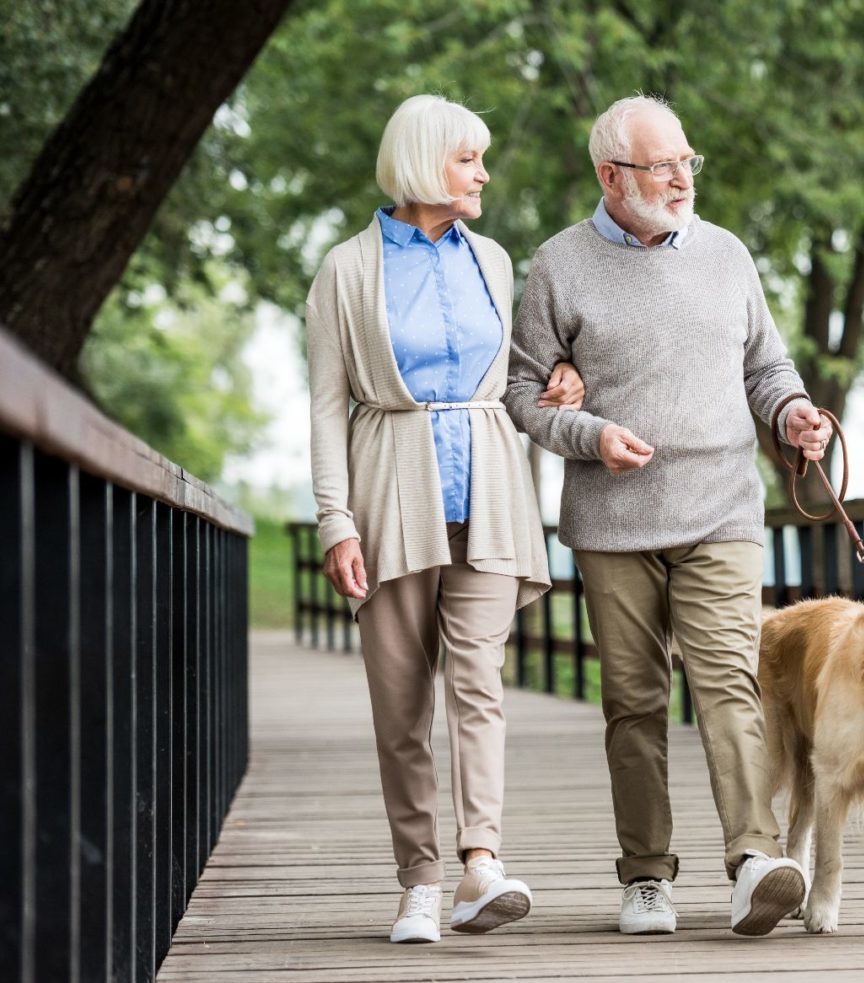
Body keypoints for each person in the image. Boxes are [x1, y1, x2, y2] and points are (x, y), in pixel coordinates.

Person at [503, 94, 835, 938]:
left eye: (688, 161)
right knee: (634, 700)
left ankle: (754, 859)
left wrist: (793, 412)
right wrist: (589, 434)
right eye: (662, 167)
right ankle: (646, 875)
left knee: (729, 683)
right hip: (612, 520)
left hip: (721, 507)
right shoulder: (558, 265)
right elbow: (522, 391)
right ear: (611, 176)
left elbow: (766, 366)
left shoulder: (727, 254)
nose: (683, 179)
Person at [306, 94, 583, 944]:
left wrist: (561, 375)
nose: (484, 175)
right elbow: (326, 406)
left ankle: (480, 863)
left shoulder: (493, 259)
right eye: (469, 160)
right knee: (400, 700)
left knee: (479, 684)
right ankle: (418, 881)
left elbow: (514, 370)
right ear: (426, 163)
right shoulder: (347, 270)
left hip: (490, 490)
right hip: (390, 492)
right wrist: (334, 519)